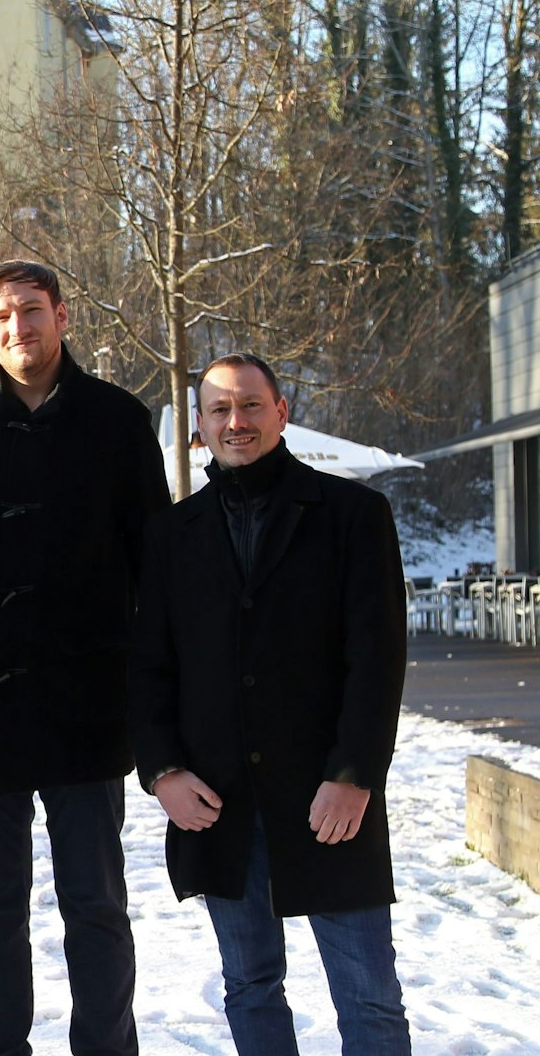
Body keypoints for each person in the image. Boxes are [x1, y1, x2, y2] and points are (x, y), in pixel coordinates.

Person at [130, 353, 411, 1054]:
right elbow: (148, 666)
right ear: (199, 426)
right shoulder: (171, 534)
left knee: (369, 999)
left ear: (281, 412)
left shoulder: (353, 514)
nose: (236, 421)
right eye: (220, 409)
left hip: (327, 800)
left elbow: (376, 660)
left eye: (251, 405)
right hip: (216, 801)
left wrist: (353, 774)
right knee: (250, 985)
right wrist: (162, 770)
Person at [0, 260, 167, 1056]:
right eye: (0, 316)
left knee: (95, 902)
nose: (18, 328)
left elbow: (154, 562)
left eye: (31, 310)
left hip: (87, 701)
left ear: (63, 315)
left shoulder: (120, 420)